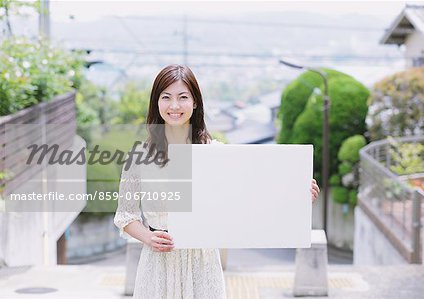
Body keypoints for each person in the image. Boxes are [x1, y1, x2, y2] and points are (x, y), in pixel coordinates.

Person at [113, 64, 320, 298]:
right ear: (156, 102)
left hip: (203, 262)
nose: (174, 106)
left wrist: (296, 194)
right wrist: (149, 237)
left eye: (183, 97)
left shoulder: (214, 152)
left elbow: (249, 198)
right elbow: (126, 216)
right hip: (157, 263)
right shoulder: (138, 157)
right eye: (166, 97)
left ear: (195, 102)